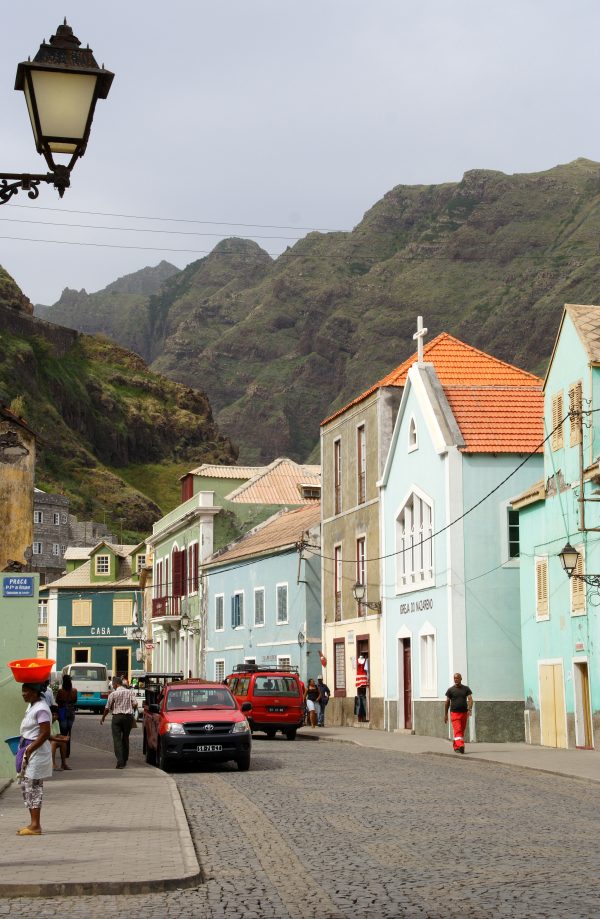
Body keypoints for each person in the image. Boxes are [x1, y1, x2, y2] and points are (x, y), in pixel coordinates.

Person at [16, 683, 52, 835]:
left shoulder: (41, 708)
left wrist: (30, 748)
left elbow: (44, 733)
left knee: (34, 788)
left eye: (27, 691)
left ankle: (36, 825)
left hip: (35, 752)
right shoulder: (32, 706)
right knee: (27, 788)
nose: (23, 694)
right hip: (29, 750)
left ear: (35, 692)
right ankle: (32, 824)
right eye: (23, 691)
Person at [100, 678, 138, 768]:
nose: (112, 686)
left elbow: (107, 708)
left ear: (116, 684)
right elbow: (135, 704)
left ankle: (120, 761)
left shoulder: (113, 694)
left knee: (117, 740)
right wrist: (131, 708)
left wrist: (103, 717)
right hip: (128, 717)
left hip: (117, 718)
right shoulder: (130, 692)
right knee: (125, 738)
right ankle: (125, 759)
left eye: (113, 684)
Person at [444, 672, 473, 754]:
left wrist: (470, 709)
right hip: (454, 713)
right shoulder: (450, 690)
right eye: (455, 678)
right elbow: (447, 702)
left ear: (461, 679)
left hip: (464, 713)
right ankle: (461, 746)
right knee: (458, 730)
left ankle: (456, 746)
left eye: (457, 678)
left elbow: (470, 699)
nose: (456, 680)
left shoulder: (466, 689)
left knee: (461, 731)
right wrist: (445, 714)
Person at [55, 673, 77, 759]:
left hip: (62, 711)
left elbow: (57, 701)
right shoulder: (74, 691)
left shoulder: (61, 691)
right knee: (69, 732)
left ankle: (62, 752)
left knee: (63, 733)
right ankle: (67, 752)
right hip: (71, 712)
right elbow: (75, 701)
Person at [49, 705, 71, 770]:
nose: (54, 717)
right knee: (54, 743)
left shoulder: (56, 722)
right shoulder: (46, 722)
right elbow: (48, 737)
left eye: (56, 715)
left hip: (53, 739)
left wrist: (64, 737)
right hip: (45, 741)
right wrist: (58, 738)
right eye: (52, 715)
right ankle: (52, 764)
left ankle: (63, 764)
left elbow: (58, 734)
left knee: (63, 743)